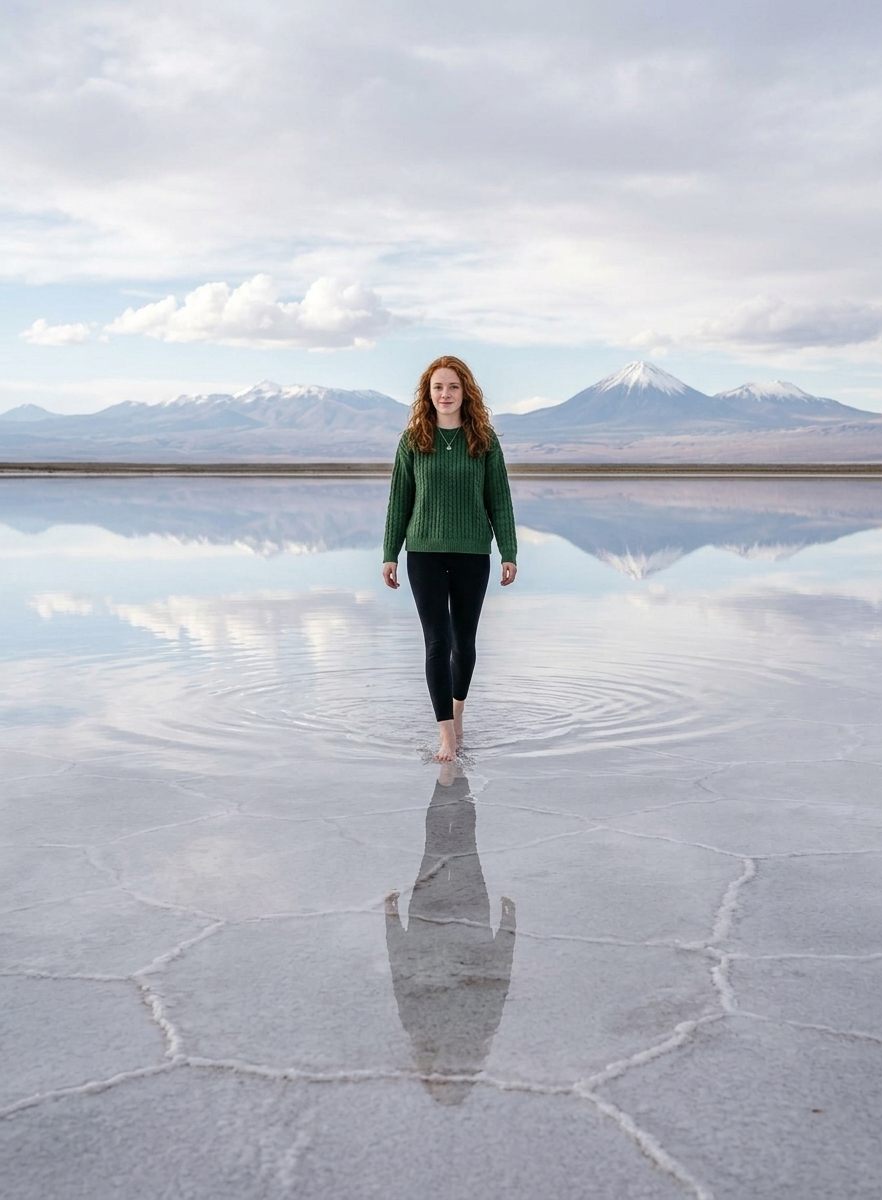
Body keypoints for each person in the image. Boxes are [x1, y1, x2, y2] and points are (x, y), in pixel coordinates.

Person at [382, 356, 517, 761]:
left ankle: (458, 714)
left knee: (464, 643)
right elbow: (399, 501)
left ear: (465, 392)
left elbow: (500, 499)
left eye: (453, 387)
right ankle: (446, 734)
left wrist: (508, 551)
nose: (445, 394)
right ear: (428, 393)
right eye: (438, 387)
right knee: (437, 643)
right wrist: (390, 553)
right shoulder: (412, 441)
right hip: (423, 553)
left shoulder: (484, 440)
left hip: (472, 553)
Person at [385, 764, 516, 1104]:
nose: (446, 1069)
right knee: (464, 840)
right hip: (471, 917)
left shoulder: (417, 1029)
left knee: (435, 840)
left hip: (426, 920)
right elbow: (498, 976)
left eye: (439, 1077)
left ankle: (450, 771)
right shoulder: (482, 1029)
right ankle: (457, 773)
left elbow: (401, 972)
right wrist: (508, 927)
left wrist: (392, 920)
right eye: (452, 1078)